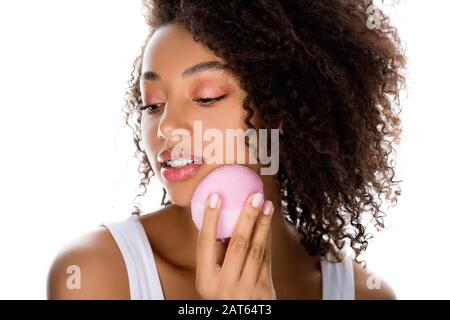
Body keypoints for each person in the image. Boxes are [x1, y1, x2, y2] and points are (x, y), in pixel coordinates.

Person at [47, 0, 405, 300]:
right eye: (152, 104)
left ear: (281, 111)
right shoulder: (95, 274)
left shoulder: (366, 295)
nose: (167, 127)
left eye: (206, 97)